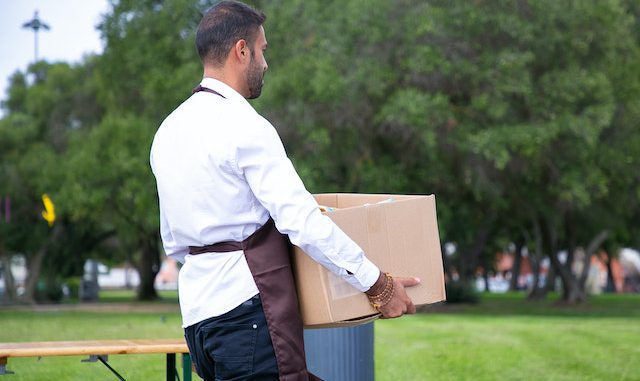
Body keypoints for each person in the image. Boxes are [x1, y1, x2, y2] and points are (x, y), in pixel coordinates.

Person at [150, 1, 420, 380]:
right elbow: (303, 223)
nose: (265, 62)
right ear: (240, 50)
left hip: (199, 321)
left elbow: (174, 243)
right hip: (249, 316)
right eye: (262, 50)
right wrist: (378, 284)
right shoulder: (244, 126)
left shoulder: (167, 133)